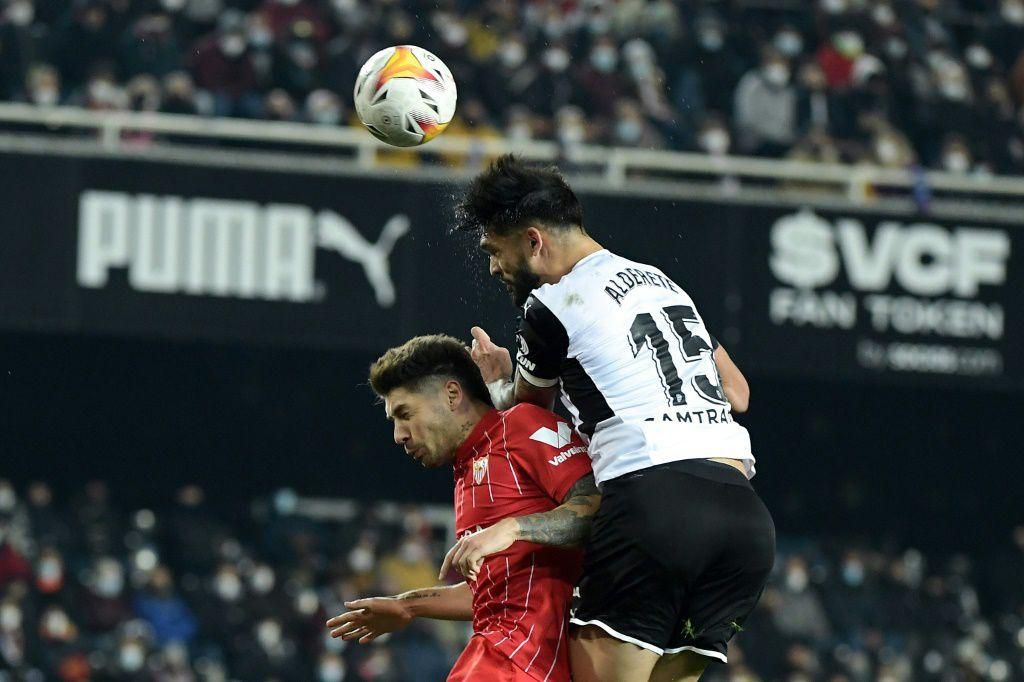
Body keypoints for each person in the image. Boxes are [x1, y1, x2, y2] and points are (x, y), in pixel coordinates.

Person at [453, 155, 775, 682]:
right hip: (743, 519)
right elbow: (737, 393)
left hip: (655, 508)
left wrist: (495, 383)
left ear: (533, 241)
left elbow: (530, 421)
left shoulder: (552, 303)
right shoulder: (661, 282)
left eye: (494, 250)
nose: (492, 267)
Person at [325, 335, 600, 682]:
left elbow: (597, 506)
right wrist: (407, 605)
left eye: (404, 414)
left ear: (452, 395)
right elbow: (493, 592)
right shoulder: (467, 470)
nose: (398, 435)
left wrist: (510, 528)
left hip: (523, 663)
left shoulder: (521, 426)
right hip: (497, 657)